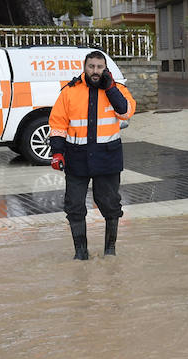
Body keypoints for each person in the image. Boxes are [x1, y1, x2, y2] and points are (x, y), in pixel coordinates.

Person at [49, 50, 136, 259]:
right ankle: (81, 254)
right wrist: (57, 153)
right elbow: (58, 124)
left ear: (105, 69)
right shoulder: (69, 92)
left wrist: (111, 88)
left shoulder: (118, 90)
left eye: (99, 67)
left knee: (110, 205)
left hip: (107, 159)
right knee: (74, 206)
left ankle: (110, 251)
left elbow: (125, 112)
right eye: (91, 66)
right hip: (76, 158)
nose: (95, 71)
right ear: (84, 67)